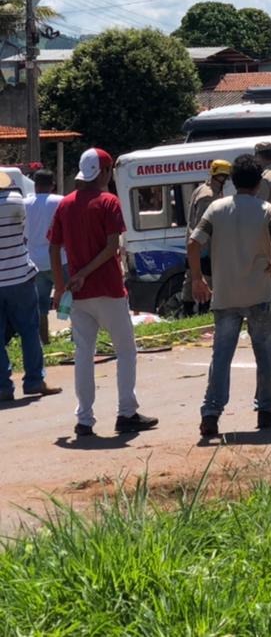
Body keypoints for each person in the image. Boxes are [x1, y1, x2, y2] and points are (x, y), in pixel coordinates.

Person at [50, 148, 158, 437]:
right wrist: (86, 272)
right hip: (109, 289)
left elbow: (53, 246)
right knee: (126, 351)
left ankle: (84, 419)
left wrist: (62, 285)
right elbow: (112, 247)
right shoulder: (109, 202)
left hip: (78, 294)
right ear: (105, 172)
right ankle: (126, 413)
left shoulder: (66, 204)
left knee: (84, 354)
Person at [189, 155, 271, 438]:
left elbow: (193, 242)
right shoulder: (266, 209)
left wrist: (198, 279)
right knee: (266, 354)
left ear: (234, 181)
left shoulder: (216, 208)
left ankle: (211, 414)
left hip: (225, 295)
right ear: (259, 181)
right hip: (260, 293)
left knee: (221, 357)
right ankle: (266, 410)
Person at [0, 170, 60, 402]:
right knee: (29, 330)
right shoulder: (16, 201)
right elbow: (22, 232)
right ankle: (34, 381)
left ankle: (3, 386)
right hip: (20, 276)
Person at [182, 160, 231, 316]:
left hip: (198, 246)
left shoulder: (202, 190)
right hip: (204, 247)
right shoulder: (208, 196)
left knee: (191, 279)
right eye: (223, 176)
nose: (225, 180)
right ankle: (201, 313)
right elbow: (202, 225)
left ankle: (189, 312)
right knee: (204, 280)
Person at [24, 168, 62, 344]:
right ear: (52, 185)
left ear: (35, 185)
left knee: (41, 307)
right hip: (60, 259)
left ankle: (44, 340)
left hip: (34, 261)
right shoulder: (60, 201)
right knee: (73, 300)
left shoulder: (25, 204)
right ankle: (79, 337)